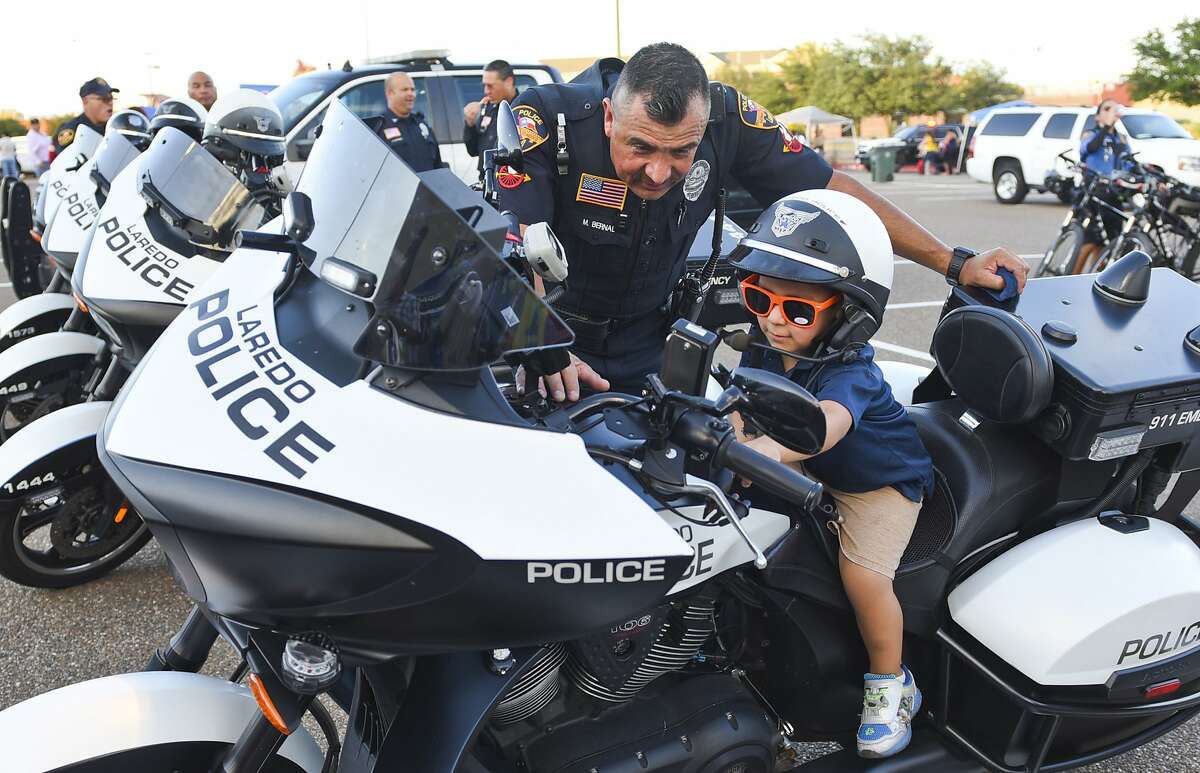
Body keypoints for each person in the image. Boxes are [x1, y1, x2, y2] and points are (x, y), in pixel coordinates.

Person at [497, 43, 1027, 400]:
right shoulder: (546, 118)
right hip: (554, 346)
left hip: (654, 346)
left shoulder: (729, 118)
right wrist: (541, 346)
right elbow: (516, 245)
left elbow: (832, 189)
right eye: (639, 147)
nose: (658, 171)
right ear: (611, 117)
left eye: (681, 151)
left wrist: (954, 262)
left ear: (703, 127)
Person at [731, 189, 933, 759]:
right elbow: (741, 404)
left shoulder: (853, 373)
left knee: (864, 579)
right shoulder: (768, 348)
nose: (773, 320)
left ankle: (891, 684)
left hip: (877, 485)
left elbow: (824, 428)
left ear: (844, 316)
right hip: (811, 473)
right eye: (758, 298)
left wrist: (756, 453)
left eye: (797, 310)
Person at [1071, 99, 1133, 274]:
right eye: (1107, 109)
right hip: (1092, 192)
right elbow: (1088, 149)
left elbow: (1128, 163)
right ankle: (1071, 278)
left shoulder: (1121, 138)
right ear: (1098, 116)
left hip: (1113, 193)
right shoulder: (1089, 134)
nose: (1112, 111)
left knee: (1112, 243)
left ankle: (1097, 278)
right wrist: (1105, 127)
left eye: (1114, 109)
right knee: (1090, 241)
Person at [369, 72, 444, 173]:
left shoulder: (422, 126)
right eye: (405, 90)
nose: (411, 94)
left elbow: (438, 166)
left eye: (412, 90)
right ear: (390, 93)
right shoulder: (379, 128)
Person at [464, 59, 519, 182]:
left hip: (510, 181)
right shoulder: (489, 109)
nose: (486, 91)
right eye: (484, 85)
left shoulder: (522, 110)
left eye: (490, 86)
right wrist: (470, 124)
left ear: (509, 82)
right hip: (486, 179)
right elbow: (473, 151)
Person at [55, 77, 118, 153]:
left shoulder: (116, 128)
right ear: (85, 101)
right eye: (104, 99)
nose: (110, 103)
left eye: (111, 98)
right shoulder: (73, 131)